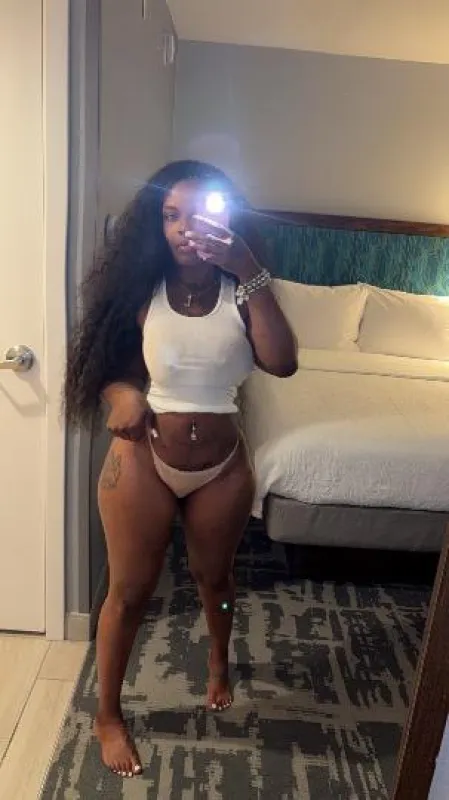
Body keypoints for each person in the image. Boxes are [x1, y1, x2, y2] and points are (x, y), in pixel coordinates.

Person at [64, 160, 297, 779]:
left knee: (215, 582)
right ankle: (107, 714)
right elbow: (106, 367)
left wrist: (248, 269)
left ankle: (219, 659)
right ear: (156, 224)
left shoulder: (244, 287)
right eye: (171, 215)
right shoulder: (141, 285)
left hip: (220, 467)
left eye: (200, 213)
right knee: (128, 591)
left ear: (229, 219)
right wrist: (122, 396)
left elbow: (281, 361)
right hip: (143, 459)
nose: (185, 228)